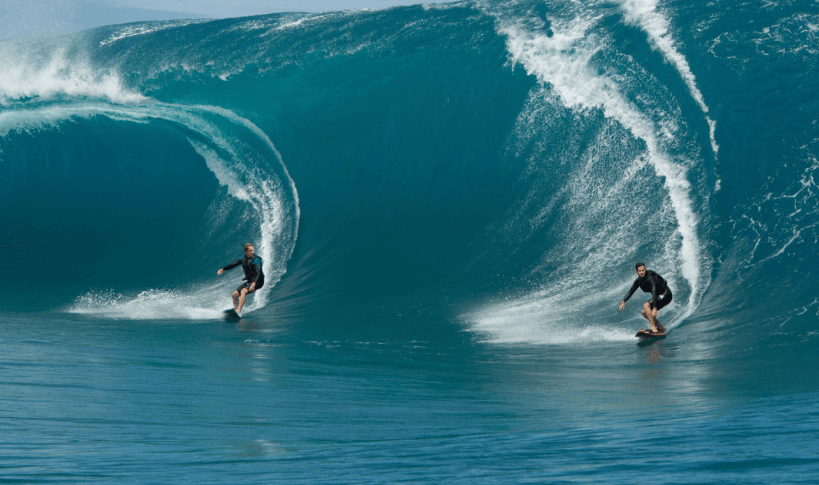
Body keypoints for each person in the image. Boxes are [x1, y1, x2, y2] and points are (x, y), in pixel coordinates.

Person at [618, 262, 672, 334]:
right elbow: (631, 291)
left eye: (643, 270)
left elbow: (654, 290)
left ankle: (653, 328)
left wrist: (655, 308)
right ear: (636, 271)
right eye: (639, 271)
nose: (641, 272)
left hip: (666, 295)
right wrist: (623, 301)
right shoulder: (639, 280)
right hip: (658, 296)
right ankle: (661, 327)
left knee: (646, 305)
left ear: (645, 269)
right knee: (644, 313)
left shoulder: (650, 277)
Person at [217, 243, 264, 315]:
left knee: (243, 291)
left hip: (258, 281)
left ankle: (239, 310)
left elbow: (259, 273)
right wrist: (223, 269)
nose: (252, 252)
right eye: (250, 250)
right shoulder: (243, 258)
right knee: (234, 294)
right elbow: (234, 264)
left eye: (253, 250)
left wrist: (254, 284)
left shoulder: (256, 260)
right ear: (246, 251)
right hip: (250, 281)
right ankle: (235, 309)